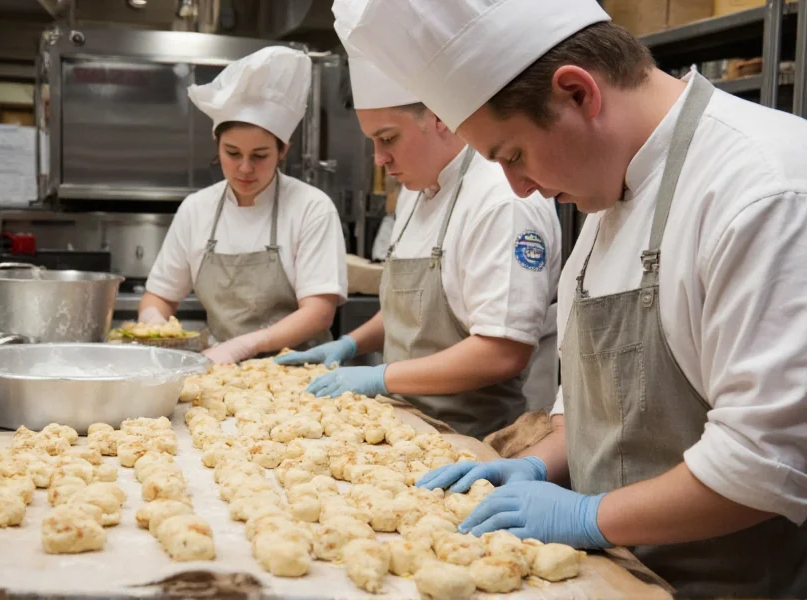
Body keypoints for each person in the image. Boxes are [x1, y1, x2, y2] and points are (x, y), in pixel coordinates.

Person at [336, 0, 807, 597]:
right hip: (614, 568)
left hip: (722, 583)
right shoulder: (609, 184)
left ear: (578, 93)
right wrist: (543, 460)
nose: (518, 186)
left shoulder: (766, 189)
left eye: (512, 155)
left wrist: (586, 517)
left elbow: (763, 466)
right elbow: (602, 398)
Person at [276, 25, 561, 440]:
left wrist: (381, 377)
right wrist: (350, 345)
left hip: (471, 439)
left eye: (388, 138)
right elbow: (409, 315)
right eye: (372, 141)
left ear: (440, 118)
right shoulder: (415, 191)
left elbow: (502, 352)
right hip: (400, 424)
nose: (379, 159)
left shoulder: (501, 202)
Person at [138, 47, 347, 364]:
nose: (245, 168)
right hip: (219, 370)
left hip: (300, 373)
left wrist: (245, 345)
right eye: (232, 153)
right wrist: (153, 322)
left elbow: (318, 314)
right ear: (217, 146)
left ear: (282, 151)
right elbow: (160, 295)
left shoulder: (312, 208)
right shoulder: (197, 209)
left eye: (260, 155)